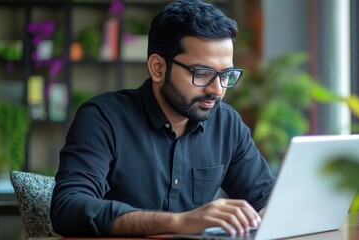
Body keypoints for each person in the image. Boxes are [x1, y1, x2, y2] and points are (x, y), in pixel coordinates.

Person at [50, 0, 276, 237]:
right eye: (202, 73)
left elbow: (267, 196)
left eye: (226, 75)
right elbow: (68, 209)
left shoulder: (226, 124)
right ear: (158, 68)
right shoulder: (104, 118)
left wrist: (270, 213)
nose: (217, 90)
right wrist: (177, 223)